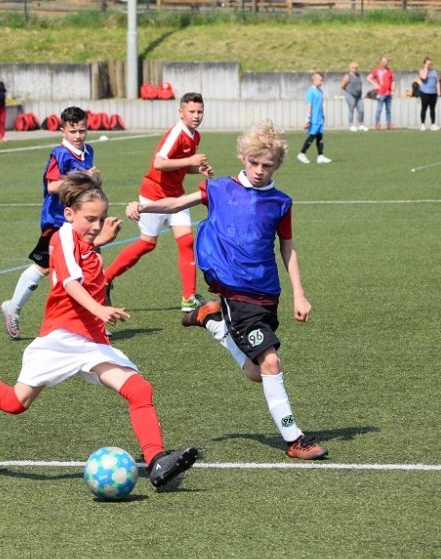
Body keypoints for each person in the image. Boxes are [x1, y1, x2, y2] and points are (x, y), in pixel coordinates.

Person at [0, 169, 199, 490]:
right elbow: (70, 282)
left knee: (139, 390)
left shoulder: (83, 242)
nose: (96, 225)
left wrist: (101, 242)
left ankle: (157, 460)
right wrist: (99, 308)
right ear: (69, 214)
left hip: (91, 341)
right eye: (90, 219)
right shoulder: (63, 236)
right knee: (15, 403)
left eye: (101, 219)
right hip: (61, 338)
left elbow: (83, 260)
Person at [126, 120, 328, 461]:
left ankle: (211, 320)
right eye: (254, 162)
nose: (260, 170)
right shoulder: (219, 189)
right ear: (243, 157)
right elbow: (178, 203)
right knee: (271, 361)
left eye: (267, 165)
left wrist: (299, 293)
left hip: (267, 292)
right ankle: (295, 439)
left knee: (256, 371)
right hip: (235, 292)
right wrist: (143, 206)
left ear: (278, 165)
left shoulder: (280, 202)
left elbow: (287, 246)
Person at [102, 92, 214, 313]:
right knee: (147, 243)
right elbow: (159, 163)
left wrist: (197, 169)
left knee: (186, 241)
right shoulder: (176, 134)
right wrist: (190, 160)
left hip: (176, 195)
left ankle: (188, 298)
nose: (196, 115)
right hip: (154, 194)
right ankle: (105, 279)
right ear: (181, 112)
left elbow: (179, 166)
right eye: (191, 111)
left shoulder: (195, 136)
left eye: (200, 111)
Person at [1, 106, 94, 340]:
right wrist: (84, 178)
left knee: (87, 264)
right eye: (73, 131)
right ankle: (13, 307)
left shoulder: (88, 151)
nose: (78, 135)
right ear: (63, 131)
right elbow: (52, 186)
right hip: (56, 220)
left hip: (77, 220)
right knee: (44, 266)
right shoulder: (60, 154)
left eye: (82, 130)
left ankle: (91, 320)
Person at [297, 73, 331, 164]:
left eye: (322, 80)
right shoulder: (310, 92)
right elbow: (309, 105)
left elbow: (321, 104)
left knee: (320, 136)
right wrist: (308, 119)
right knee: (312, 136)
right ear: (314, 81)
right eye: (320, 80)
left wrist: (323, 115)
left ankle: (320, 156)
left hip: (319, 118)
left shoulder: (320, 91)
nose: (322, 82)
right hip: (314, 118)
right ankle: (302, 153)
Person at [367, 56, 395, 130]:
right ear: (380, 62)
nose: (385, 63)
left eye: (386, 61)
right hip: (380, 93)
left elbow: (393, 80)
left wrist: (392, 90)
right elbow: (368, 78)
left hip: (388, 93)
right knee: (379, 109)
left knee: (388, 110)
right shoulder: (377, 71)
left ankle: (389, 123)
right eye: (383, 61)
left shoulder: (390, 71)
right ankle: (377, 123)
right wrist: (375, 85)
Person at [341, 62, 367, 132]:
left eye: (356, 68)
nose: (354, 69)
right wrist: (349, 90)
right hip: (350, 95)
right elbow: (342, 85)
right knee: (351, 110)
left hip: (358, 96)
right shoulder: (347, 76)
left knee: (361, 110)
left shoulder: (358, 75)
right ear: (350, 68)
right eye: (353, 67)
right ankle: (351, 125)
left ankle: (360, 124)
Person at [417, 57, 441, 131]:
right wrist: (426, 69)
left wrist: (438, 90)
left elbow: (437, 82)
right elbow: (424, 77)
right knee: (424, 108)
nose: (429, 65)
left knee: (432, 109)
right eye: (428, 64)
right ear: (424, 64)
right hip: (425, 92)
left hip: (433, 92)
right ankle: (423, 124)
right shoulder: (421, 71)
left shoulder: (434, 72)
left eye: (430, 64)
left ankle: (433, 124)